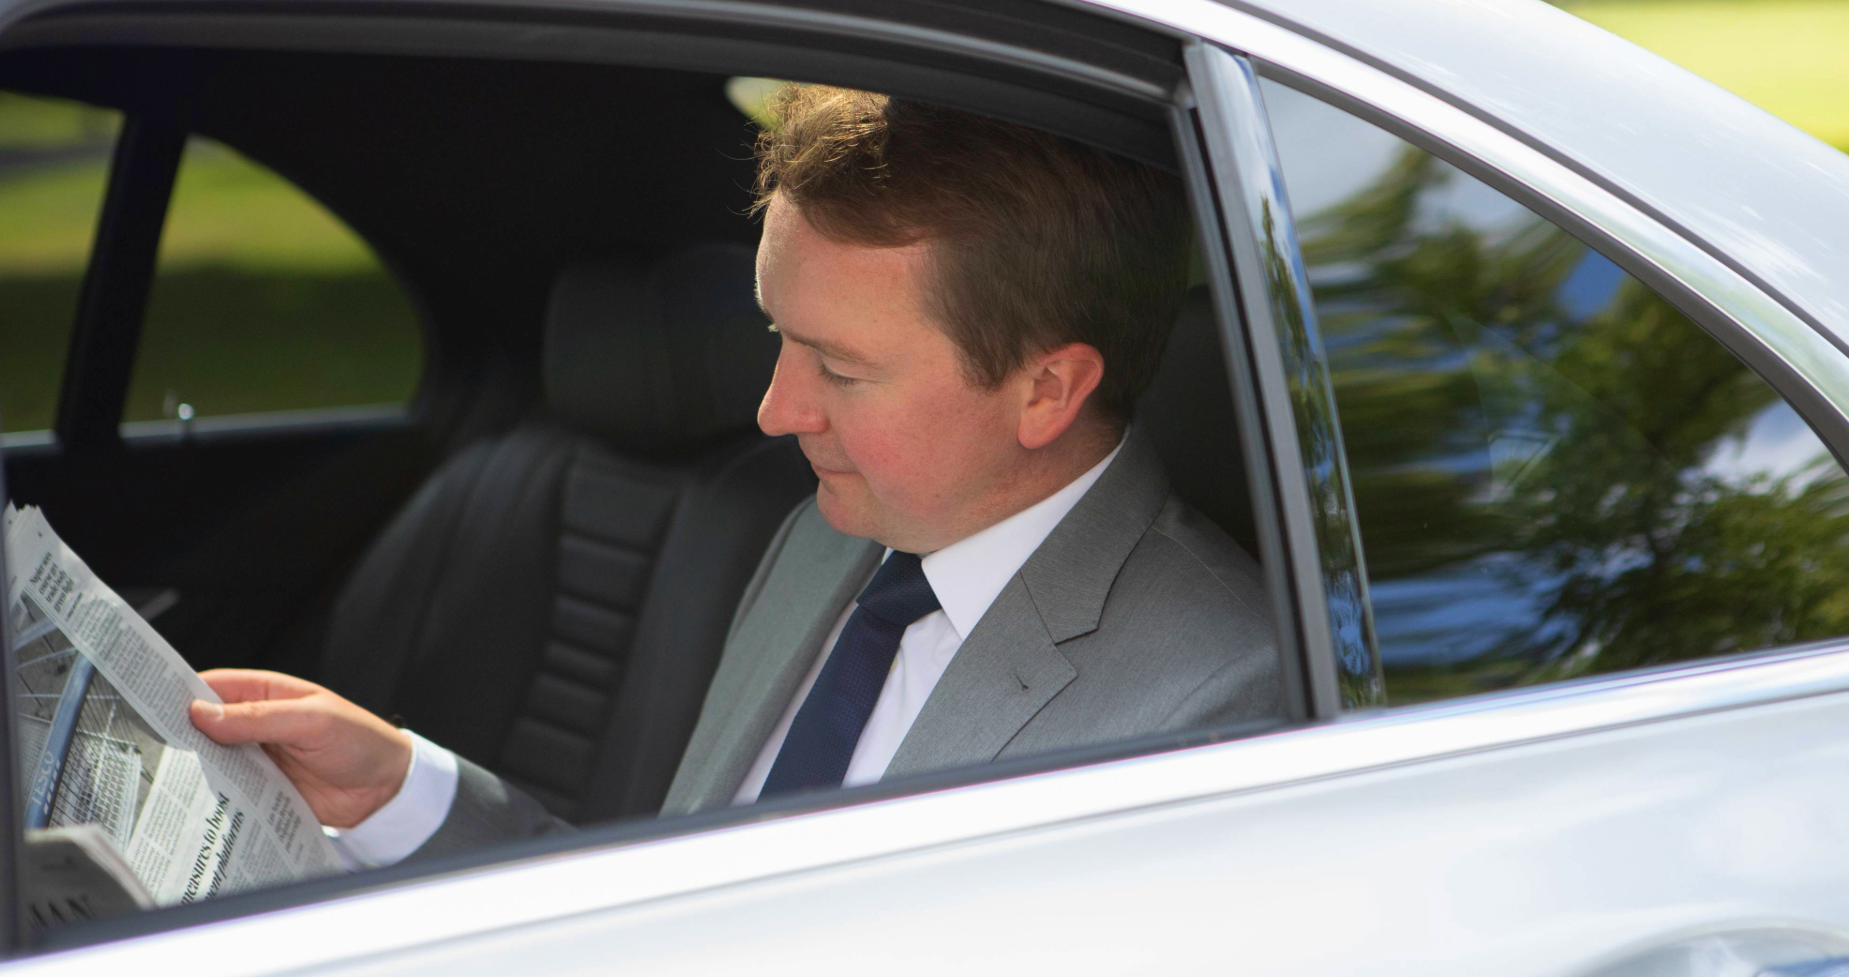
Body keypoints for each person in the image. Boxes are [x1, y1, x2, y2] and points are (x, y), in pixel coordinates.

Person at [190, 86, 1280, 865]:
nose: (774, 411)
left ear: (1047, 391)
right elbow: (674, 923)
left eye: (840, 369)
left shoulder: (1215, 705)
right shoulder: (836, 539)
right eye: (778, 337)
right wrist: (397, 791)